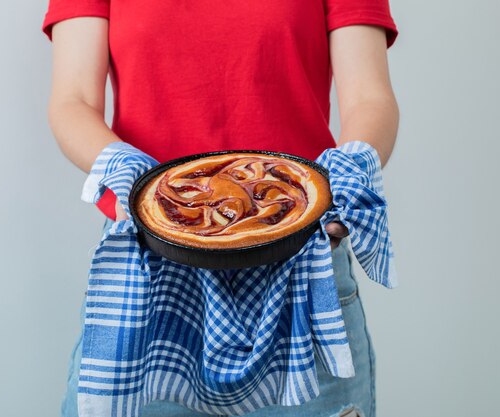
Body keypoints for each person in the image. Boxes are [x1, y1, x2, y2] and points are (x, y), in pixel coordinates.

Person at [41, 0, 399, 416]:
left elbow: (369, 97)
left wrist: (349, 173)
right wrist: (126, 169)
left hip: (301, 271)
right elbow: (73, 101)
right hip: (149, 275)